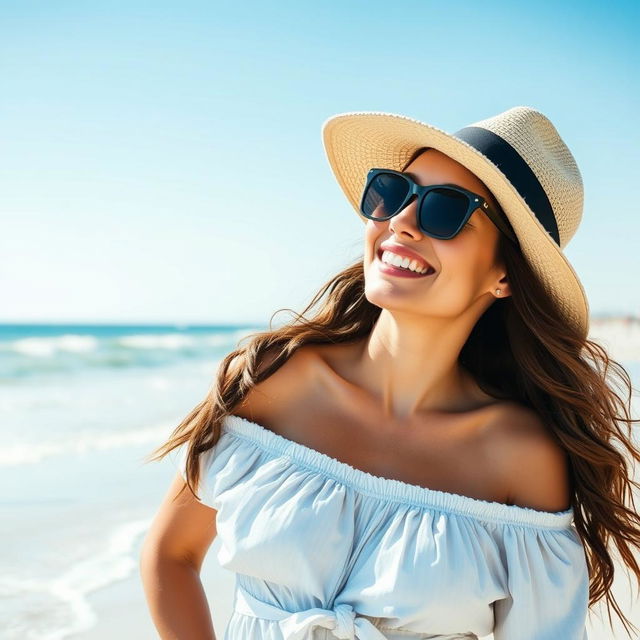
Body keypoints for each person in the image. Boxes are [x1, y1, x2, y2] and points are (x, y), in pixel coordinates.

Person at [140, 106, 640, 640]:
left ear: (504, 275)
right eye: (393, 192)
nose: (401, 221)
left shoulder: (518, 457)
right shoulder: (271, 381)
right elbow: (171, 554)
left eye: (446, 211)